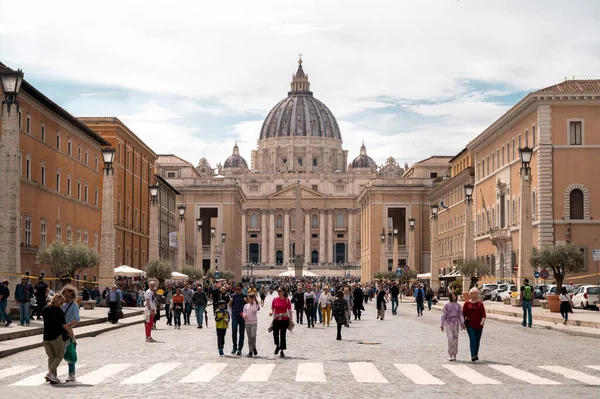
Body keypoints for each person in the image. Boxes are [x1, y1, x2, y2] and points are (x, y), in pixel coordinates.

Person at [42, 293, 73, 384]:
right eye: (61, 302)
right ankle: (50, 373)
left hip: (46, 336)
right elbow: (63, 325)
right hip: (56, 336)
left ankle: (53, 377)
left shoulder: (45, 309)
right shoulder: (59, 311)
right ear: (58, 301)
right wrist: (70, 332)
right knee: (59, 355)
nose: (62, 304)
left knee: (51, 357)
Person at [60, 285, 80, 382]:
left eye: (70, 296)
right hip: (57, 331)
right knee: (55, 353)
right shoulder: (58, 303)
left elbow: (77, 319)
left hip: (68, 331)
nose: (67, 298)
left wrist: (69, 325)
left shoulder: (74, 305)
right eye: (66, 295)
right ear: (62, 294)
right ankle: (52, 373)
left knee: (70, 352)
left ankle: (71, 374)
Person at [463, 287, 486, 362]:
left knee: (477, 340)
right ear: (470, 295)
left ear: (477, 295)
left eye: (475, 294)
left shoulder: (480, 304)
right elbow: (463, 314)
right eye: (472, 294)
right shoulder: (466, 304)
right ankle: (473, 355)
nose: (474, 296)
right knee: (472, 339)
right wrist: (462, 323)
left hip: (479, 325)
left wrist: (483, 320)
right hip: (470, 325)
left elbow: (483, 314)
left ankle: (476, 354)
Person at [440, 292, 465, 361]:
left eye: (455, 296)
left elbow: (460, 315)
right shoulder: (446, 305)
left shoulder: (458, 306)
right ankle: (450, 354)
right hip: (448, 323)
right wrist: (441, 324)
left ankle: (454, 354)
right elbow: (444, 315)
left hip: (456, 323)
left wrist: (462, 323)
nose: (454, 297)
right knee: (450, 338)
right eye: (452, 296)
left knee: (455, 339)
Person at [270, 287, 292, 358]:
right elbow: (272, 308)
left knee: (283, 335)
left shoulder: (287, 300)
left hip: (284, 319)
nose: (278, 292)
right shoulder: (275, 299)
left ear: (283, 292)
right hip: (276, 319)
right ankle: (277, 345)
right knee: (275, 334)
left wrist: (291, 319)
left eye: (280, 291)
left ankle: (282, 350)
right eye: (278, 291)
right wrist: (271, 312)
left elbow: (289, 310)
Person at [229, 283, 247, 356]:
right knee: (234, 331)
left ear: (242, 289)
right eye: (236, 289)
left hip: (242, 316)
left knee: (241, 333)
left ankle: (240, 348)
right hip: (235, 316)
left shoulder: (244, 296)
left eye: (239, 289)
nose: (237, 290)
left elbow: (248, 305)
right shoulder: (233, 296)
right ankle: (234, 347)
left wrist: (246, 301)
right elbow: (229, 305)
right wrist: (230, 303)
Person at [243, 293, 260, 357]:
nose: (248, 299)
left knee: (253, 336)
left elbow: (254, 310)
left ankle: (254, 347)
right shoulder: (245, 306)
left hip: (253, 322)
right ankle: (251, 351)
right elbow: (243, 313)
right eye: (248, 298)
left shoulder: (256, 305)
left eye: (250, 298)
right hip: (247, 323)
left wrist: (254, 302)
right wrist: (244, 316)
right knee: (249, 337)